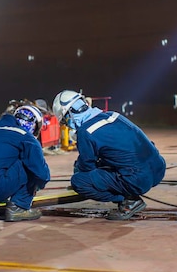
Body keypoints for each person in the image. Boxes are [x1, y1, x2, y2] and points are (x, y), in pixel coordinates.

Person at [52, 90, 166, 220]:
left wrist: (79, 171)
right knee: (105, 160)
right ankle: (129, 191)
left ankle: (128, 200)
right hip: (158, 168)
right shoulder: (113, 115)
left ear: (69, 115)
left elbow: (87, 167)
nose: (68, 126)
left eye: (65, 122)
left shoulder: (85, 132)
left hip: (138, 180)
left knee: (79, 181)